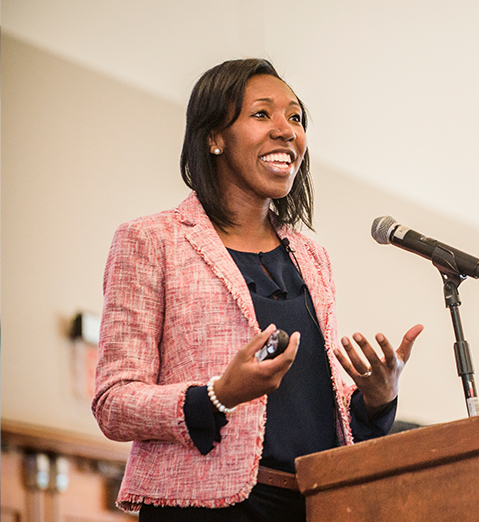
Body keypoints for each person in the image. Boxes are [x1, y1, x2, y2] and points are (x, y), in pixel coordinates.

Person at [92, 58, 423, 521]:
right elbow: (114, 402)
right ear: (214, 137)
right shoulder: (152, 240)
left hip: (315, 504)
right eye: (262, 114)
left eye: (296, 117)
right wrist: (218, 395)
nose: (287, 131)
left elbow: (306, 408)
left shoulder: (312, 257)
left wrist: (375, 397)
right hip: (205, 508)